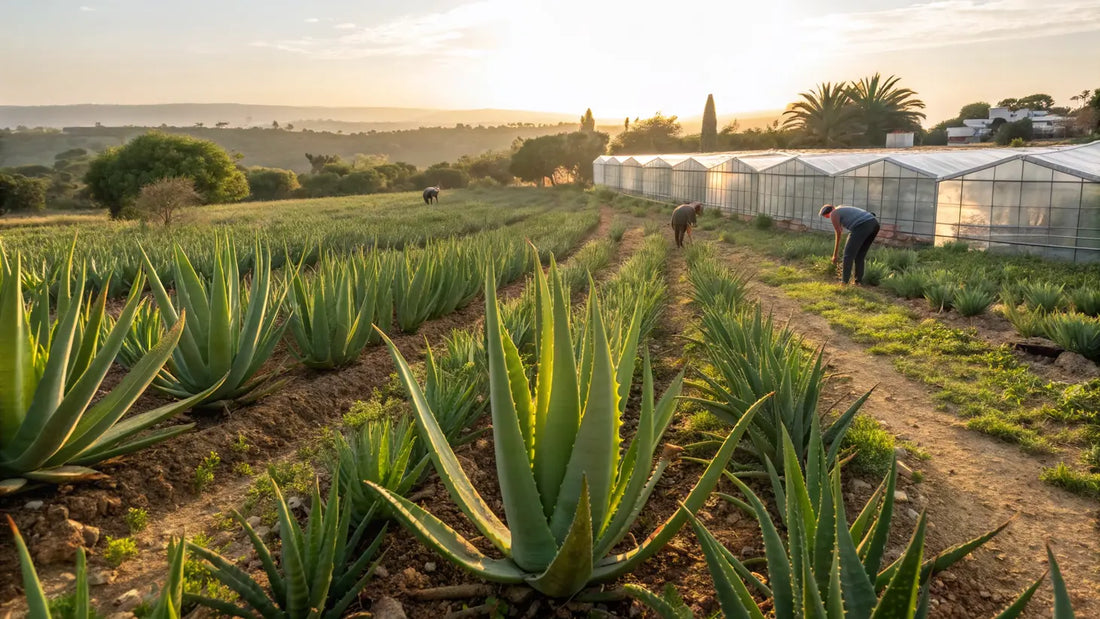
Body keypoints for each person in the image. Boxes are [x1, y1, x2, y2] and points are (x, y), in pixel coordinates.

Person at [820, 204, 880, 285]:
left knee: (848, 255)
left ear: (827, 214)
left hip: (862, 225)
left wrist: (835, 254)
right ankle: (858, 281)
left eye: (825, 216)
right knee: (860, 255)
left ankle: (844, 282)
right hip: (874, 224)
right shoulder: (842, 209)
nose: (827, 217)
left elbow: (838, 233)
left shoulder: (834, 213)